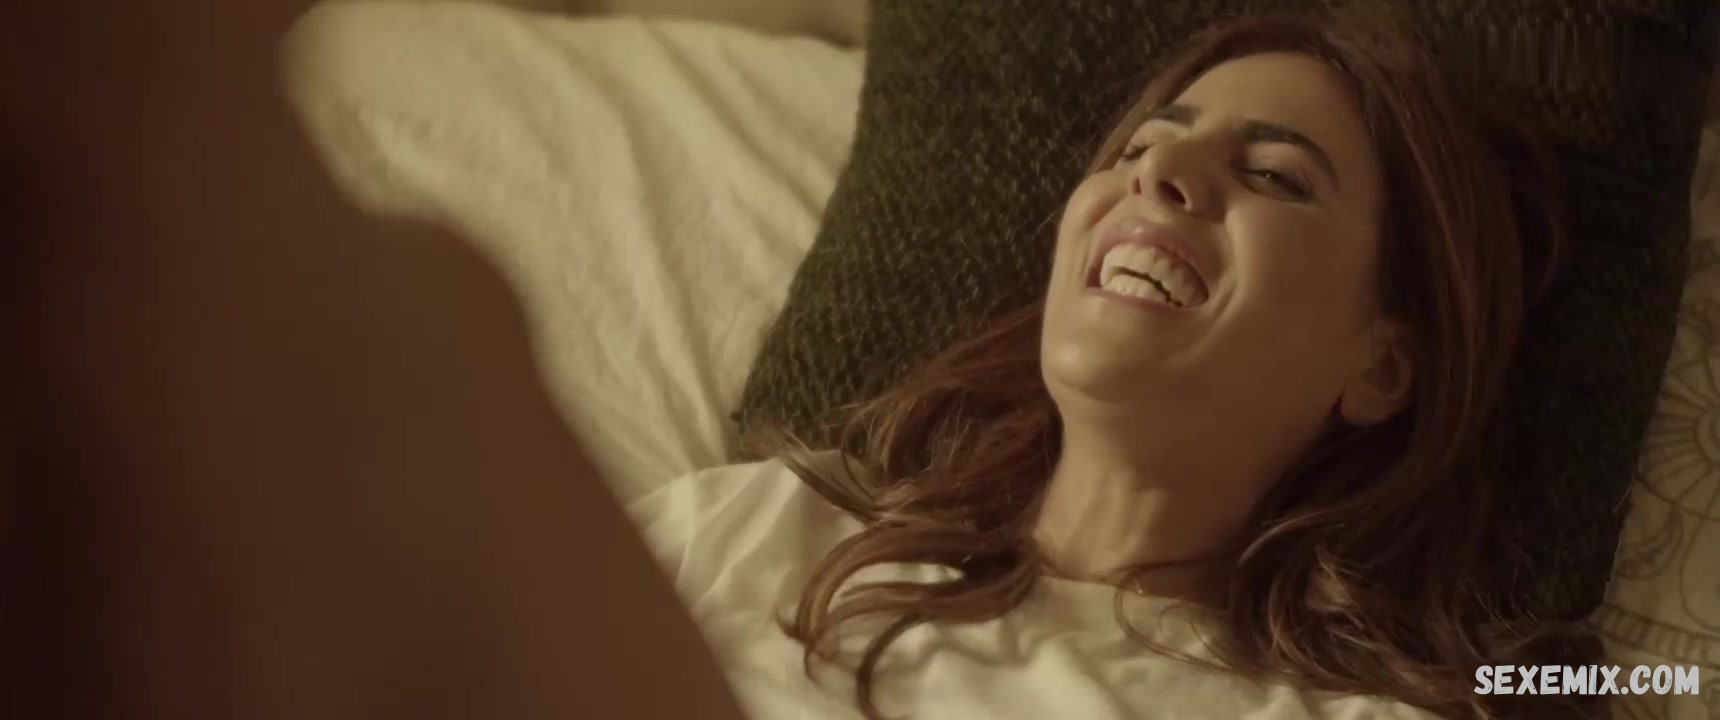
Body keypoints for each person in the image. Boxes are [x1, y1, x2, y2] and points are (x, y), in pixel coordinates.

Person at [0, 3, 1598, 720]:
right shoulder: (763, 533)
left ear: (1382, 369)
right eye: (1143, 142)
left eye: (1275, 175)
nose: (1162, 176)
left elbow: (1643, 686)